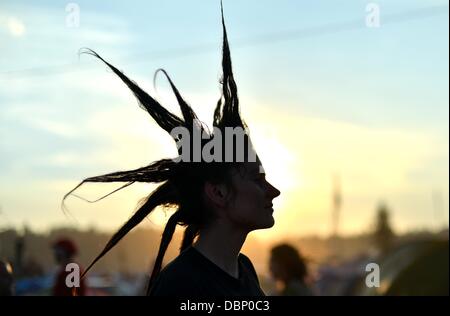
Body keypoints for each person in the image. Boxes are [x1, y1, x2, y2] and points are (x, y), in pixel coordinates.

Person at [62, 2, 281, 296]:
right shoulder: (181, 286)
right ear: (218, 193)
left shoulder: (245, 272)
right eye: (257, 178)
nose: (273, 191)